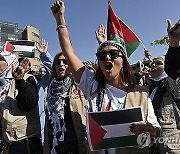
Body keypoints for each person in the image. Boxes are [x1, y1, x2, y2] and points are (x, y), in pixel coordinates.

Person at [51, 1, 160, 154]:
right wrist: (60, 20)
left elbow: (156, 134)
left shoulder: (142, 95)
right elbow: (68, 53)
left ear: (123, 62)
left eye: (113, 54)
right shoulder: (92, 86)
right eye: (102, 55)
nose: (107, 57)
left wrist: (152, 131)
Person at [44, 52, 88, 154]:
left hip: (75, 141)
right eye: (57, 62)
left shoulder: (79, 84)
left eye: (65, 61)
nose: (61, 64)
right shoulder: (50, 88)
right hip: (55, 143)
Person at [0, 51, 43, 154]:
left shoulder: (27, 78)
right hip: (7, 143)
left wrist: (19, 81)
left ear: (10, 62)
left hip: (26, 142)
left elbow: (29, 102)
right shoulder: (1, 85)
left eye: (1, 59)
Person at [148, 20, 180, 154]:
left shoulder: (171, 84)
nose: (153, 66)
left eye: (158, 63)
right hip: (152, 144)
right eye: (152, 63)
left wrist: (174, 42)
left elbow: (173, 69)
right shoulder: (150, 88)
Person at [36, 39, 53, 143]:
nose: (42, 73)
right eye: (40, 72)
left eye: (44, 72)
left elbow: (52, 70)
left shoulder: (45, 81)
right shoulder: (31, 81)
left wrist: (44, 55)